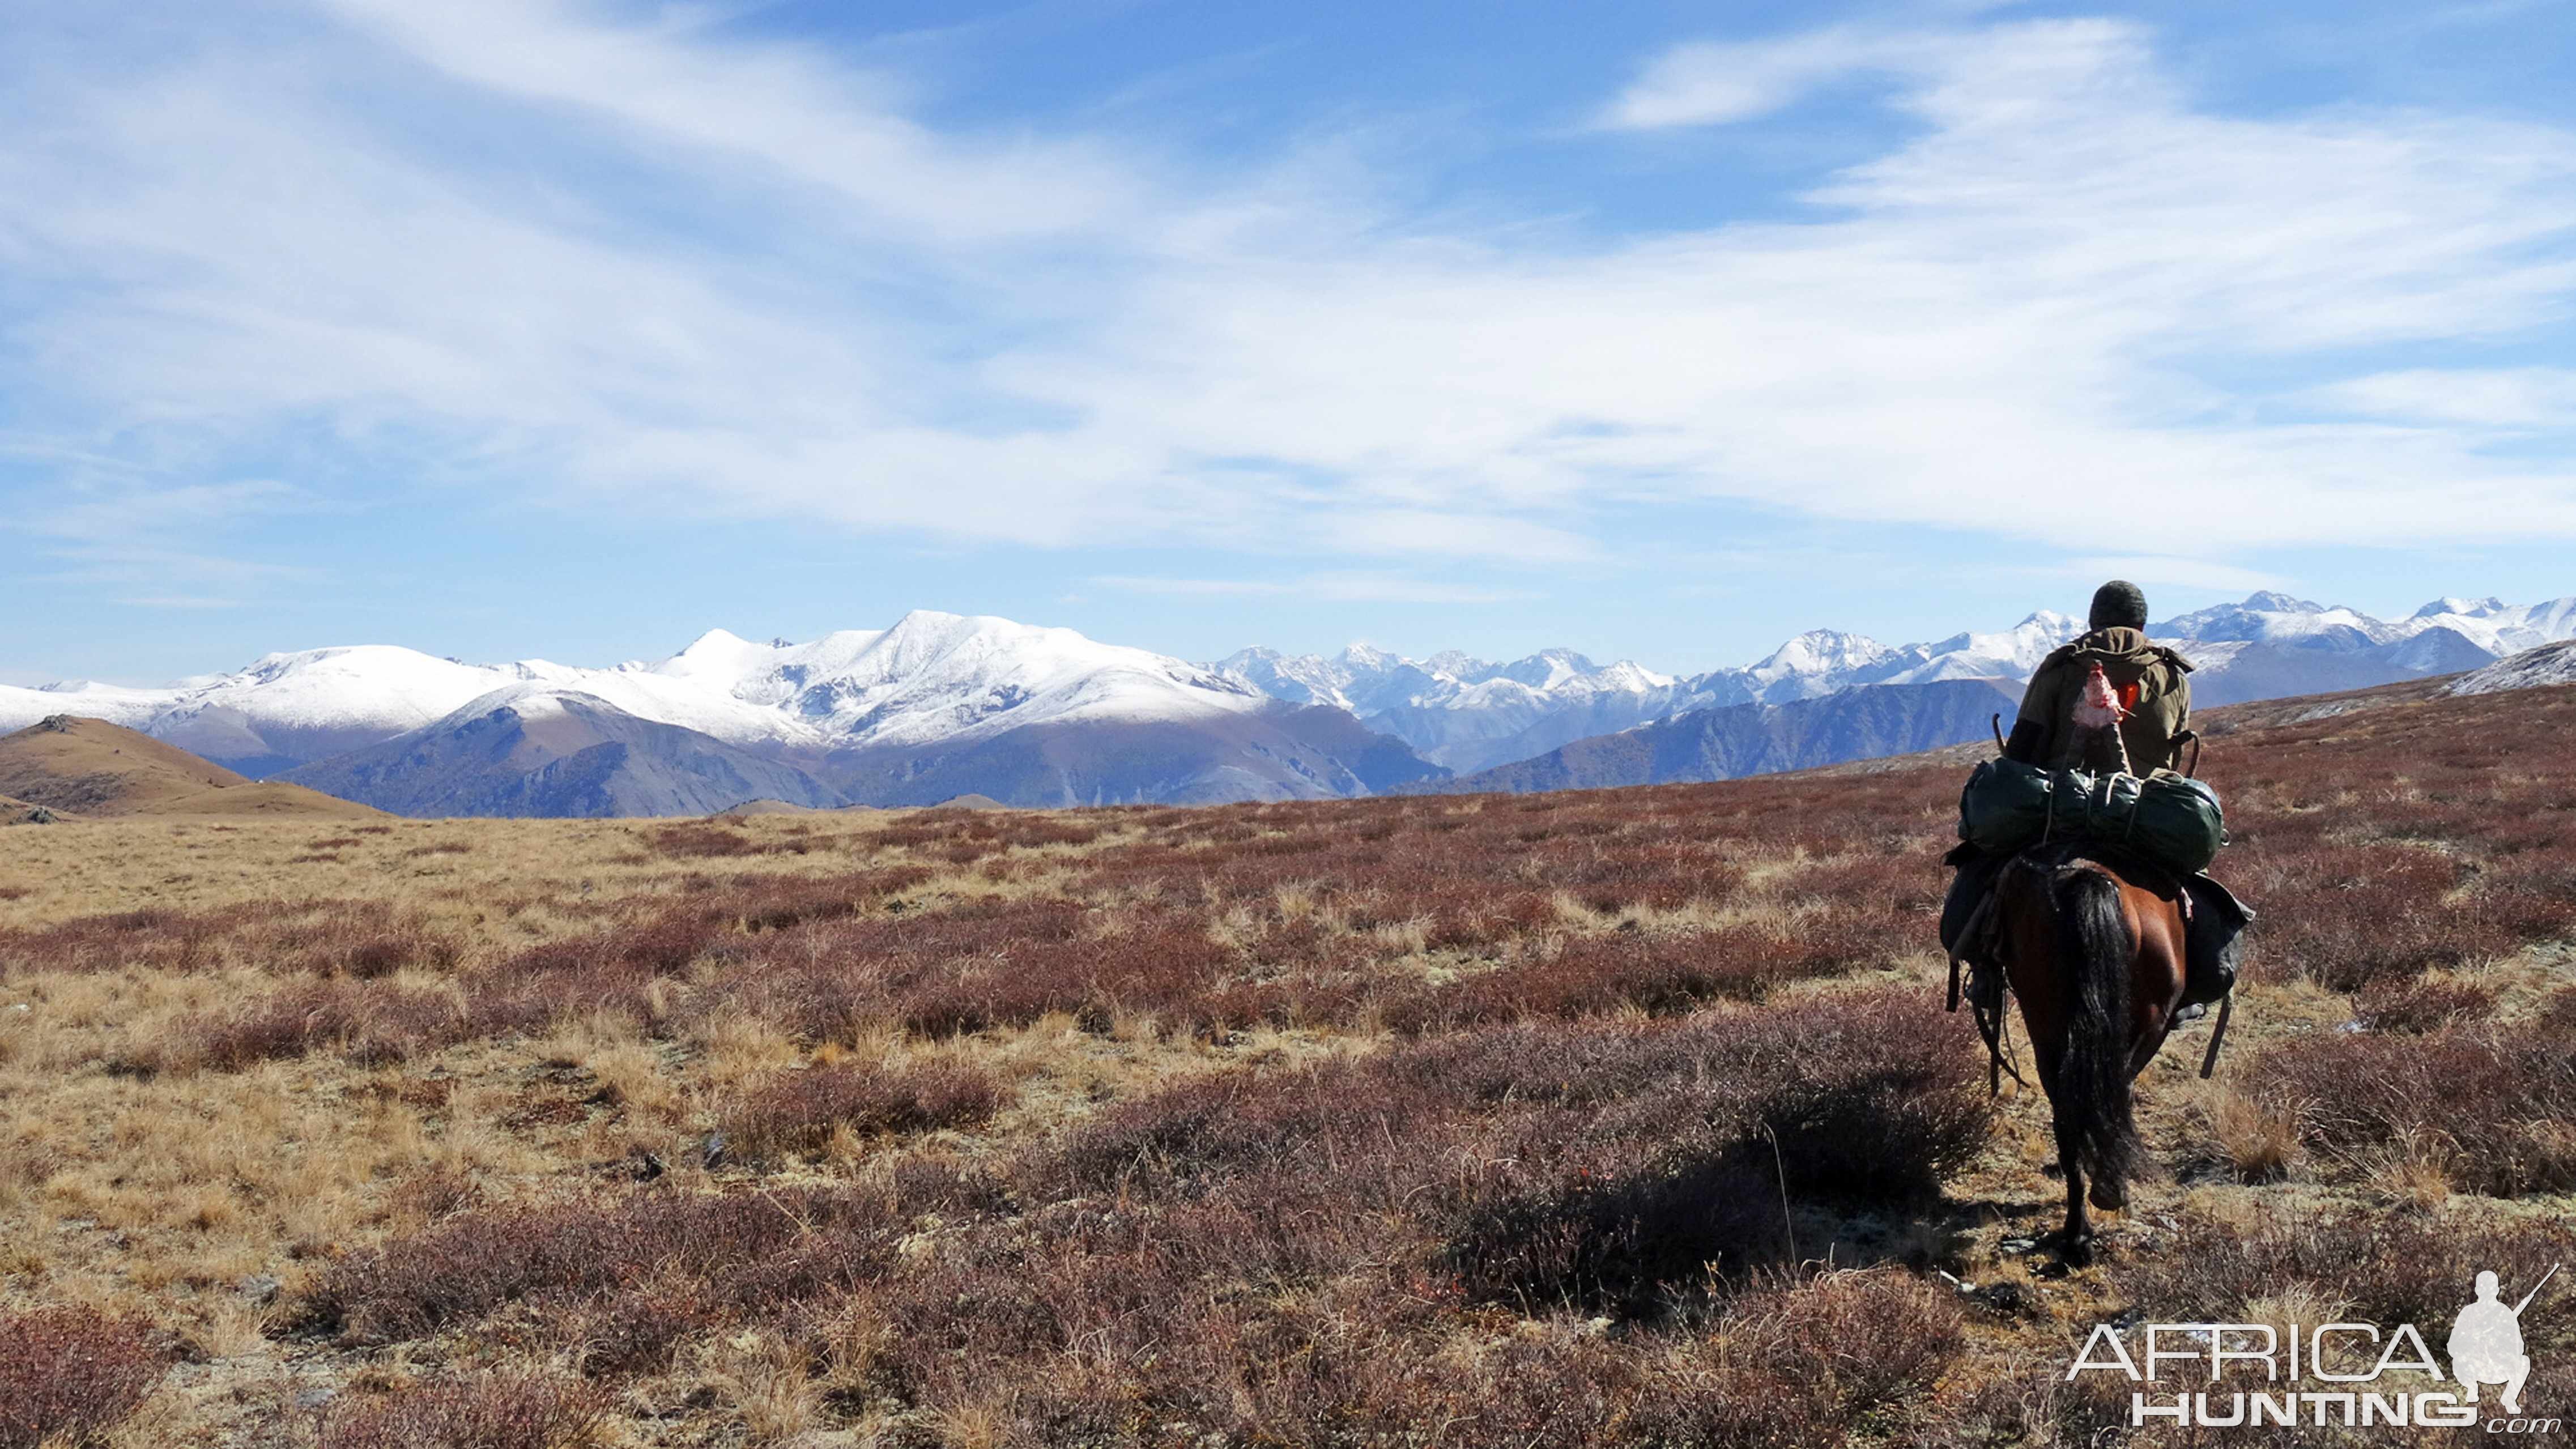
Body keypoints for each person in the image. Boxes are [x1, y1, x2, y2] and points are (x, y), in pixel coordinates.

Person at [1940, 580, 2251, 1018]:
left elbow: (2025, 745)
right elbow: (2172, 752)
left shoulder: (2060, 666)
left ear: (2093, 620)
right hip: (2137, 811)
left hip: (2055, 807)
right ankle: (2188, 992)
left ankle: (1986, 971)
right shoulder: (2170, 673)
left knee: (1981, 871)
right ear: (2142, 622)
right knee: (2188, 883)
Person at [2449, 1270, 2532, 1414]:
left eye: (2490, 1289)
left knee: (2524, 1362)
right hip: (2474, 1368)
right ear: (2477, 1290)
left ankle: (2509, 1398)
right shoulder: (2468, 1313)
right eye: (2483, 1288)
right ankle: (2472, 1388)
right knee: (2458, 1361)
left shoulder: (2505, 1314)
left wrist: (2499, 1342)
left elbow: (2519, 1348)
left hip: (2497, 1367)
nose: (2487, 1292)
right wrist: (2470, 1340)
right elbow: (2453, 1347)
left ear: (2497, 1290)